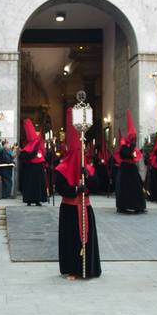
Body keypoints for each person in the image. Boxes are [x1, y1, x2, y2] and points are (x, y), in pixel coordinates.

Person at [54, 108, 101, 279]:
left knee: (87, 238)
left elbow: (96, 185)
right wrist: (75, 189)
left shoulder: (86, 166)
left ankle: (88, 269)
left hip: (85, 207)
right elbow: (60, 187)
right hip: (69, 209)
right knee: (71, 240)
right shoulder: (62, 168)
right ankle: (72, 268)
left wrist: (87, 177)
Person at [115, 110, 147, 213]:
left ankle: (138, 206)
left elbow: (135, 156)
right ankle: (123, 206)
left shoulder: (132, 146)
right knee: (124, 188)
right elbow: (124, 154)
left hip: (132, 169)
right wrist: (131, 148)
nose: (134, 140)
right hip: (125, 169)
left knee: (136, 187)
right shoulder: (124, 145)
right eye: (132, 138)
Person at [19, 119, 48, 205]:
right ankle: (29, 200)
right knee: (29, 185)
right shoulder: (27, 147)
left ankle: (37, 200)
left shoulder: (39, 146)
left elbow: (43, 156)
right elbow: (23, 158)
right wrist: (32, 154)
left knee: (38, 185)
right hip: (29, 170)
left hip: (38, 170)